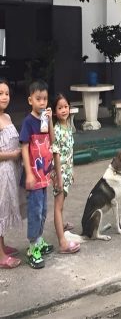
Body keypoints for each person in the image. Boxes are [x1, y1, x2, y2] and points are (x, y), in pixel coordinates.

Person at [19, 80, 55, 269]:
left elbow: (52, 139)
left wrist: (49, 120)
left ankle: (39, 240)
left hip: (44, 176)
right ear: (30, 100)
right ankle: (32, 247)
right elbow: (24, 147)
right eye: (38, 99)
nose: (42, 102)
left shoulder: (44, 119)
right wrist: (29, 174)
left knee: (42, 211)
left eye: (45, 99)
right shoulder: (28, 122)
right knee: (34, 211)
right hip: (34, 177)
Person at [51, 95, 80, 254]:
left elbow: (69, 151)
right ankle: (62, 242)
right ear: (55, 112)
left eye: (66, 106)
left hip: (67, 171)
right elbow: (55, 154)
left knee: (62, 203)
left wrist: (72, 170)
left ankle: (61, 224)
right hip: (59, 173)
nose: (64, 110)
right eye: (60, 107)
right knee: (58, 206)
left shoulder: (68, 126)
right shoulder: (56, 130)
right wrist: (59, 177)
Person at [0, 79, 23, 269]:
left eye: (6, 93)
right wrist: (13, 154)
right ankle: (0, 256)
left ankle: (2, 245)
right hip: (2, 171)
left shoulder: (6, 116)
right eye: (0, 93)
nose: (4, 97)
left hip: (11, 170)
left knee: (5, 208)